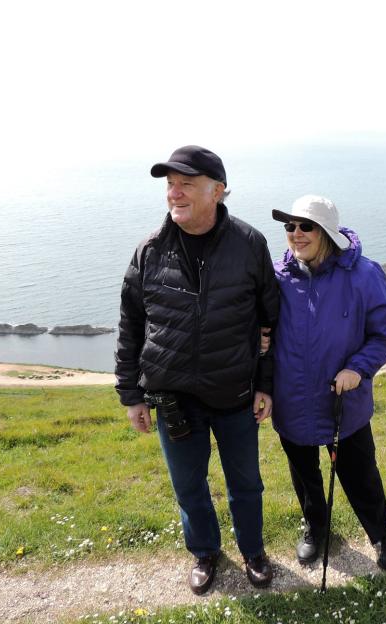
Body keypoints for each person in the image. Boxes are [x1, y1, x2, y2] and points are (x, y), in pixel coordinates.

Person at [115, 145, 279, 595]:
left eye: (186, 183)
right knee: (189, 486)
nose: (175, 193)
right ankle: (205, 552)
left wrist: (266, 384)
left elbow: (271, 320)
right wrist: (131, 395)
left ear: (217, 191)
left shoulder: (250, 245)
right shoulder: (149, 250)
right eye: (170, 185)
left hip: (235, 393)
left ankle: (253, 551)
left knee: (246, 483)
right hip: (173, 398)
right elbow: (130, 325)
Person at [270, 195, 386, 571]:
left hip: (345, 403)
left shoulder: (364, 275)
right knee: (306, 477)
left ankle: (381, 538)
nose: (296, 234)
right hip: (292, 402)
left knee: (361, 476)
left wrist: (357, 369)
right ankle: (316, 529)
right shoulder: (277, 276)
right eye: (290, 226)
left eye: (305, 226)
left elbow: (385, 333)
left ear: (325, 231)